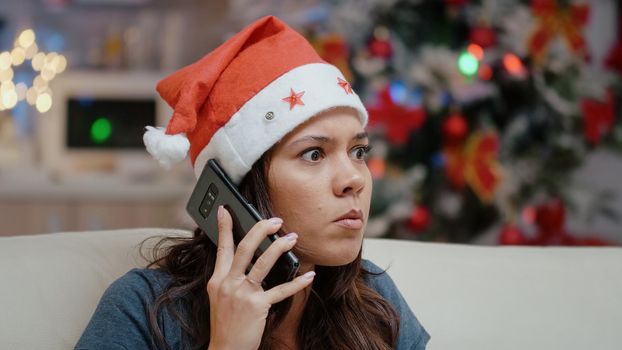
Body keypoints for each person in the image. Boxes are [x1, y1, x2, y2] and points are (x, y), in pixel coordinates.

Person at [75, 16, 430, 350]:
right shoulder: (143, 307)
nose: (354, 179)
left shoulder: (374, 300)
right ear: (237, 191)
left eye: (358, 151)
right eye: (314, 154)